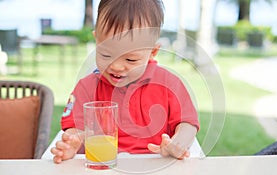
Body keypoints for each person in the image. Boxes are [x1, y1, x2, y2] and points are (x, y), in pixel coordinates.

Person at [51, 0, 200, 164]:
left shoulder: (169, 84)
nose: (116, 66)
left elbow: (187, 123)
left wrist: (178, 144)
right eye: (106, 55)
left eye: (130, 59)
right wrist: (72, 142)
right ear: (97, 40)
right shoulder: (87, 87)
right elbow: (74, 128)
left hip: (155, 165)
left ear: (153, 52)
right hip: (103, 168)